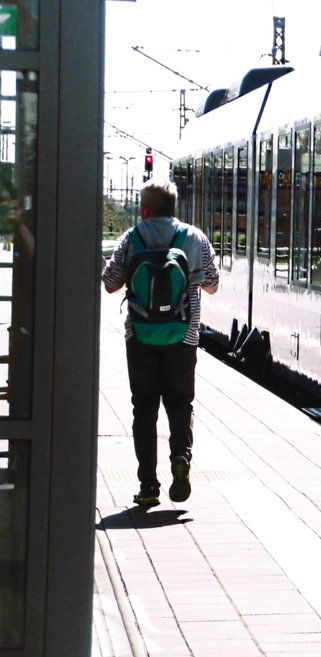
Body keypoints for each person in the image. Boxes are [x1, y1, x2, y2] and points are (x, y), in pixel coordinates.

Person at [102, 180, 219, 507]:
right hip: (184, 335)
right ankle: (180, 457)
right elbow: (213, 284)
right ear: (174, 207)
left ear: (145, 209)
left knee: (144, 410)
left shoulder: (131, 237)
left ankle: (148, 486)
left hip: (139, 335)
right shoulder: (194, 238)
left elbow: (111, 284)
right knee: (181, 404)